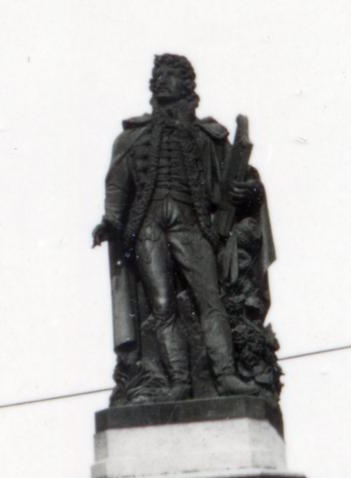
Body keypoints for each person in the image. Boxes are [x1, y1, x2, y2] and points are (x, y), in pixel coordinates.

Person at [92, 54, 272, 404]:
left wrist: (250, 191)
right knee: (161, 306)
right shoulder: (131, 138)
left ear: (186, 85)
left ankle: (226, 375)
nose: (159, 80)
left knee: (210, 299)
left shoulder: (208, 135)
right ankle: (179, 381)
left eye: (169, 75)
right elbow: (117, 185)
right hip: (147, 226)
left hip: (191, 224)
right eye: (157, 74)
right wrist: (110, 221)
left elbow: (240, 180)